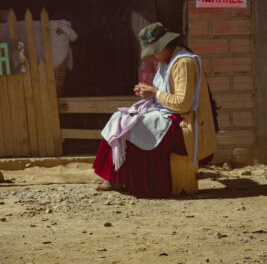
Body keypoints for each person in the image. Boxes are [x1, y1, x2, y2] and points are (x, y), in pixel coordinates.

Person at [93, 22, 217, 197]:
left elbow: (182, 104)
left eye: (154, 52)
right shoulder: (168, 60)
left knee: (136, 126)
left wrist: (155, 93)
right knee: (120, 118)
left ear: (166, 45)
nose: (152, 58)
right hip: (169, 114)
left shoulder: (183, 63)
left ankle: (142, 184)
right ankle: (116, 177)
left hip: (185, 125)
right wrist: (150, 93)